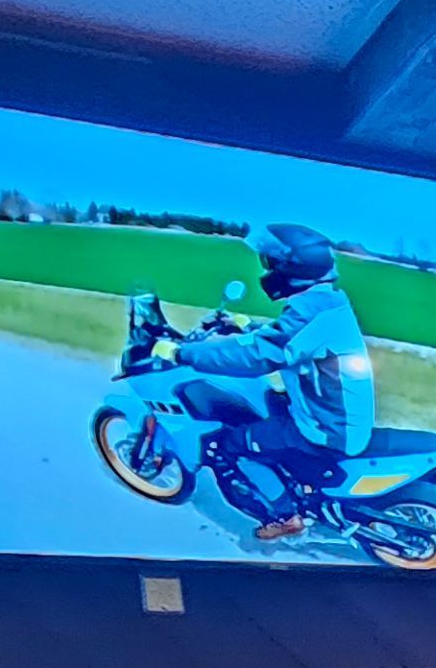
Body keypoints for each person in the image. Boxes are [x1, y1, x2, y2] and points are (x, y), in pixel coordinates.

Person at [161, 222, 378, 539]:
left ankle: (285, 517)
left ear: (291, 268)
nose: (267, 269)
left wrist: (182, 353)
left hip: (325, 428)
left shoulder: (311, 312)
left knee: (225, 445)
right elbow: (290, 339)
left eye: (270, 262)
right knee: (263, 408)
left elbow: (258, 356)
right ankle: (292, 481)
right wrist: (246, 325)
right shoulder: (325, 302)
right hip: (330, 411)